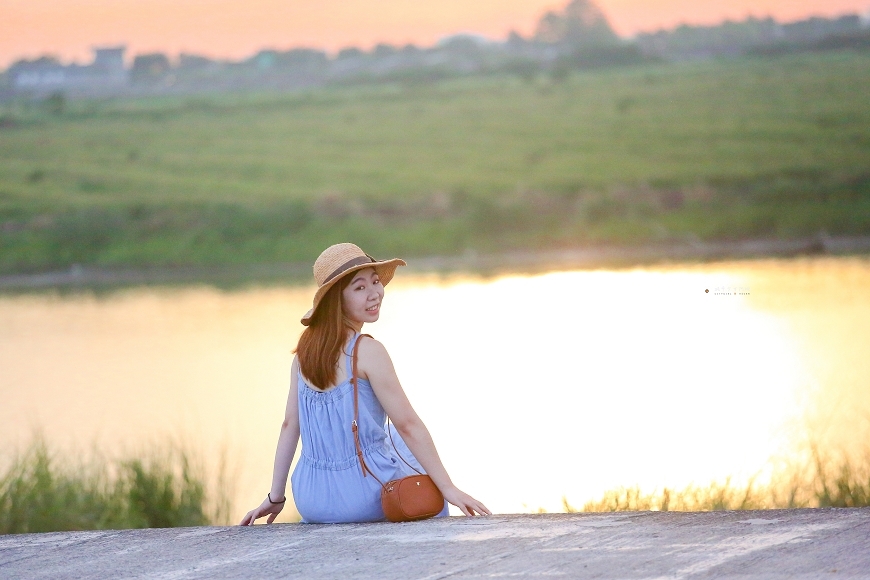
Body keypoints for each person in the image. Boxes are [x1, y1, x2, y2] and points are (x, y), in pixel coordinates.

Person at [240, 243, 489, 524]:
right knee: (403, 441)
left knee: (393, 437)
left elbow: (289, 425)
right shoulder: (368, 351)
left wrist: (276, 497)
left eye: (375, 282)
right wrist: (449, 488)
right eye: (360, 288)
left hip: (311, 499)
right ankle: (436, 531)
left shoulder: (303, 354)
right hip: (363, 497)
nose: (375, 293)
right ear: (337, 299)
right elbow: (408, 424)